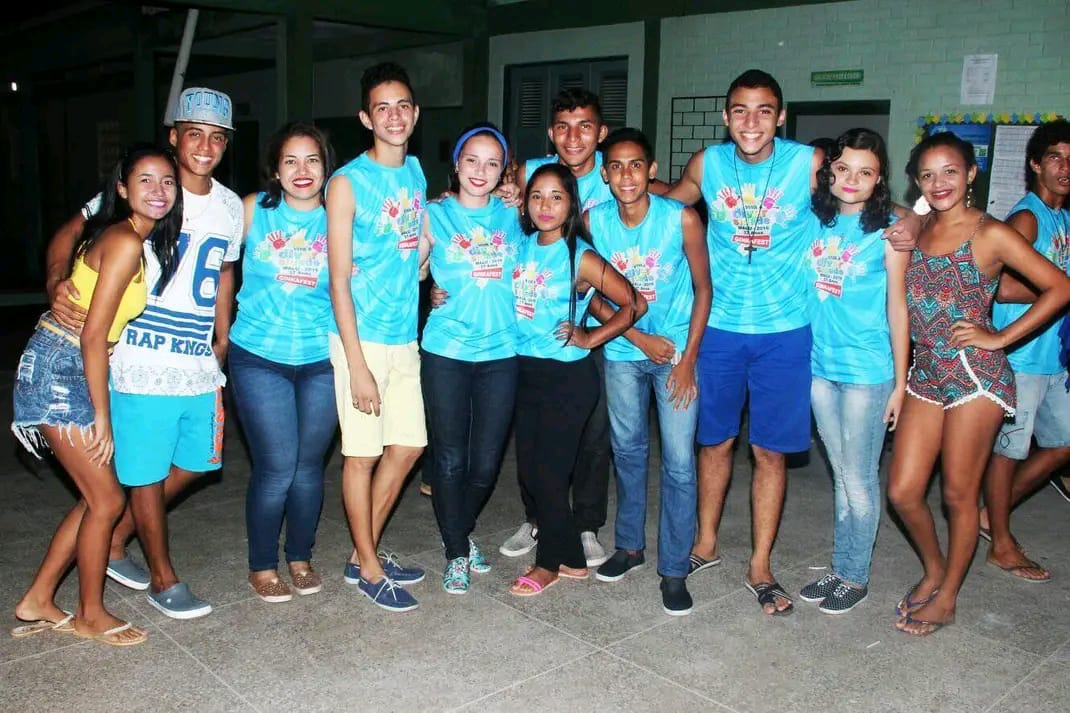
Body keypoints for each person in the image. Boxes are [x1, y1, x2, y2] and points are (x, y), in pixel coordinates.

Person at [664, 69, 916, 616]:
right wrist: (604, 196)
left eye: (764, 110)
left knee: (770, 452)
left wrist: (915, 222)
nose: (751, 121)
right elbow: (665, 204)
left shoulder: (809, 162)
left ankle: (760, 563)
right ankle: (705, 543)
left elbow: (867, 197)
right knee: (714, 443)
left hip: (785, 334)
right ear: (725, 115)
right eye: (740, 110)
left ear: (780, 116)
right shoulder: (707, 164)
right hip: (720, 329)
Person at [46, 87, 244, 619]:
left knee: (199, 461)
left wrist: (222, 334)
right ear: (174, 137)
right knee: (146, 474)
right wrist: (56, 281)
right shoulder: (152, 186)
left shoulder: (229, 205)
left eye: (217, 137)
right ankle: (163, 578)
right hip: (140, 357)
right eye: (194, 134)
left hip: (196, 360)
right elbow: (71, 232)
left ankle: (114, 538)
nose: (205, 146)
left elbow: (224, 271)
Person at [888, 131, 1070, 636]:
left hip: (976, 376)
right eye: (927, 175)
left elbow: (1059, 287)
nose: (939, 182)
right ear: (917, 182)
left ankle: (947, 597)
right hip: (927, 373)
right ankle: (934, 568)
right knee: (903, 491)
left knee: (958, 494)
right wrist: (910, 216)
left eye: (950, 171)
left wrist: (1000, 338)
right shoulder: (921, 226)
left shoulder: (991, 233)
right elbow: (888, 210)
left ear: (971, 174)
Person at [12, 144, 182, 645]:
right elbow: (92, 336)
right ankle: (90, 614)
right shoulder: (125, 241)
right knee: (107, 499)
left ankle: (38, 598)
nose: (158, 190)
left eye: (167, 181)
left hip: (71, 364)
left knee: (96, 498)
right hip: (61, 367)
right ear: (122, 189)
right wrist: (102, 417)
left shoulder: (131, 239)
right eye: (145, 180)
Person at [584, 128, 711, 616]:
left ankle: (674, 568)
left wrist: (688, 360)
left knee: (679, 462)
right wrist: (638, 338)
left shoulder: (680, 218)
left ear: (651, 170)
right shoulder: (594, 222)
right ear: (605, 174)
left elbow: (704, 289)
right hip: (623, 352)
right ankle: (629, 546)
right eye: (616, 167)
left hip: (676, 353)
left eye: (636, 165)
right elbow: (589, 295)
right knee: (628, 452)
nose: (626, 176)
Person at [508, 163, 646, 597]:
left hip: (567, 378)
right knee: (531, 473)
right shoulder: (522, 245)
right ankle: (572, 559)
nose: (545, 205)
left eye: (556, 197)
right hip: (525, 372)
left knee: (550, 475)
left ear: (571, 205)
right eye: (537, 196)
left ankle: (548, 563)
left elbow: (634, 303)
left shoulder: (580, 256)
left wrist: (590, 337)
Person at [327, 62, 428, 613]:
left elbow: (413, 239)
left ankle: (359, 552)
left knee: (409, 445)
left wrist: (426, 261)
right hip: (359, 339)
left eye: (402, 106)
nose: (394, 116)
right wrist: (357, 365)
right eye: (382, 108)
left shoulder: (415, 170)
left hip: (404, 334)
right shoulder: (346, 183)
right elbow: (338, 279)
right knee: (362, 455)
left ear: (415, 114)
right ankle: (368, 567)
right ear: (366, 118)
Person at [500, 88, 615, 567]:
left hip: (585, 330)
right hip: (534, 332)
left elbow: (665, 198)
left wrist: (613, 332)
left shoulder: (615, 173)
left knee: (593, 434)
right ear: (551, 133)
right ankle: (539, 518)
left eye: (584, 126)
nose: (573, 137)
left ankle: (584, 525)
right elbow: (493, 206)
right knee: (532, 442)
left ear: (600, 133)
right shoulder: (530, 171)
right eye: (563, 127)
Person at [797, 128, 909, 614]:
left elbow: (898, 308)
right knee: (840, 475)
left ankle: (855, 576)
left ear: (879, 179)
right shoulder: (813, 223)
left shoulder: (891, 231)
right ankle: (841, 566)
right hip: (819, 368)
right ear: (829, 172)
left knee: (858, 478)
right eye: (843, 169)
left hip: (866, 370)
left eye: (865, 173)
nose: (851, 180)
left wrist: (901, 384)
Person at [229, 122, 337, 603]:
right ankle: (261, 564)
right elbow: (212, 262)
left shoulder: (340, 216)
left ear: (326, 167)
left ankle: (299, 556)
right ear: (275, 169)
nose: (302, 170)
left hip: (322, 359)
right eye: (290, 161)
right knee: (276, 467)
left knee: (309, 467)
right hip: (259, 357)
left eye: (312, 160)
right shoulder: (254, 210)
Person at [420, 124, 522, 594]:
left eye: (492, 163)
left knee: (485, 464)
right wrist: (426, 285)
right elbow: (409, 269)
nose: (481, 170)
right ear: (456, 164)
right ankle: (457, 551)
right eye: (472, 160)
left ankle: (458, 531)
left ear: (504, 171)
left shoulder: (513, 214)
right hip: (447, 351)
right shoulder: (433, 214)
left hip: (502, 352)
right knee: (450, 459)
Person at [979, 120, 1070, 580]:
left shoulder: (1063, 217)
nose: (1065, 167)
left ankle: (990, 512)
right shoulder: (1027, 218)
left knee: (1063, 445)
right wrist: (1059, 289)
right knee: (1008, 452)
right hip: (1022, 358)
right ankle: (1001, 543)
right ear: (1035, 164)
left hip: (1053, 356)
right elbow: (1006, 288)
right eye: (1055, 157)